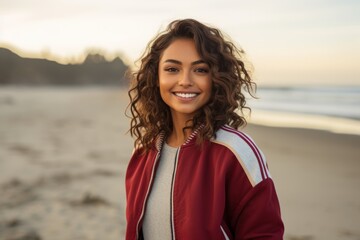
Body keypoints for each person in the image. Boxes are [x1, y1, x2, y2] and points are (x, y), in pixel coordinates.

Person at [125, 18, 284, 240]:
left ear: (216, 78)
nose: (185, 81)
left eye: (200, 69)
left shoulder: (236, 151)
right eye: (172, 69)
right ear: (156, 77)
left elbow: (264, 234)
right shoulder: (143, 152)